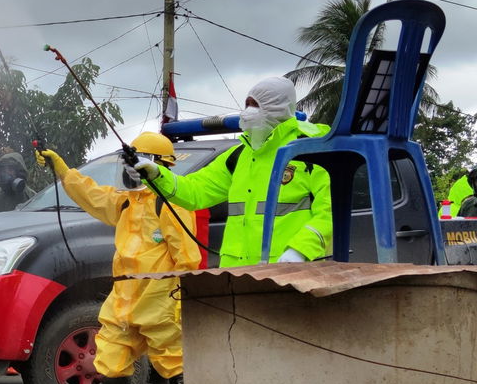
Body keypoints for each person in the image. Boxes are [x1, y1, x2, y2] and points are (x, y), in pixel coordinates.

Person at [37, 132, 201, 384]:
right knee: (110, 352)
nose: (128, 168)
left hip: (158, 296)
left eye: (136, 160)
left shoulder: (170, 204)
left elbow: (187, 258)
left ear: (157, 165)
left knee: (172, 358)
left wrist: (180, 299)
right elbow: (91, 194)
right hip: (124, 295)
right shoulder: (127, 202)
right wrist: (62, 168)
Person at [134, 76, 332, 267]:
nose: (247, 112)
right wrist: (157, 175)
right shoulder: (238, 157)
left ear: (278, 108)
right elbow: (195, 192)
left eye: (256, 105)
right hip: (238, 274)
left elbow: (330, 212)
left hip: (291, 270)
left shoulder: (311, 151)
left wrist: (300, 250)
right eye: (247, 104)